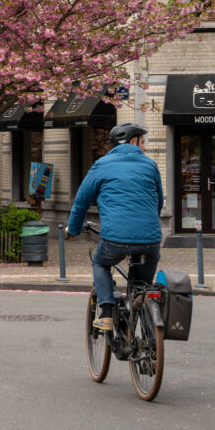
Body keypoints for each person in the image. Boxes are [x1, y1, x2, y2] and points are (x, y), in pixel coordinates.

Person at [67, 122, 163, 331]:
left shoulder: (102, 164)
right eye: (142, 142)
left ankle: (107, 312)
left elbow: (82, 202)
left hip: (115, 242)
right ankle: (149, 345)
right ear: (131, 141)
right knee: (142, 287)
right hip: (150, 241)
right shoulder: (150, 165)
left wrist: (73, 230)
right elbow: (158, 201)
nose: (144, 148)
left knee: (100, 264)